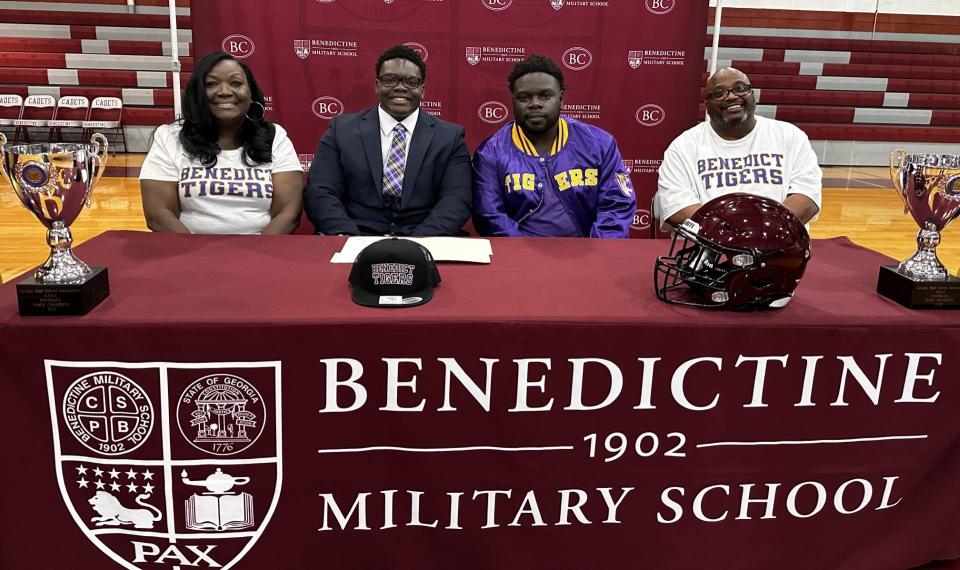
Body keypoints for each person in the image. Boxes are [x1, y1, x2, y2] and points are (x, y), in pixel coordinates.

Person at [305, 44, 472, 236]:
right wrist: (350, 239)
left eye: (411, 82)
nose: (400, 88)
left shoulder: (450, 138)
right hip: (355, 236)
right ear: (377, 86)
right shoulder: (341, 131)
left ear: (423, 90)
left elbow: (457, 198)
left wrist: (418, 244)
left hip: (426, 240)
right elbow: (321, 192)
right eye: (390, 80)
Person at [471, 55, 636, 238]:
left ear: (561, 98)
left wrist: (595, 254)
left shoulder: (599, 143)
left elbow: (617, 206)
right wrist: (524, 259)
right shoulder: (491, 151)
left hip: (590, 254)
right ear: (513, 102)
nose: (535, 104)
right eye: (524, 97)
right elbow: (490, 217)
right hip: (520, 259)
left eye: (545, 96)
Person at [139, 51, 304, 234]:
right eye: (211, 84)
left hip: (261, 252)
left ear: (251, 94)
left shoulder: (275, 137)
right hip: (187, 252)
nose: (225, 92)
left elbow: (288, 213)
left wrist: (256, 258)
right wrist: (194, 257)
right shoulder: (169, 137)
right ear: (197, 93)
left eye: (236, 83)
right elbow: (159, 214)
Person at [654, 67, 821, 231]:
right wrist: (732, 236)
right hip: (708, 251)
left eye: (740, 89)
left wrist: (764, 234)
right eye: (719, 93)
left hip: (780, 249)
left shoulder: (790, 136)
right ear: (707, 105)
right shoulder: (683, 147)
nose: (732, 96)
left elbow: (807, 199)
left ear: (752, 94)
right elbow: (677, 207)